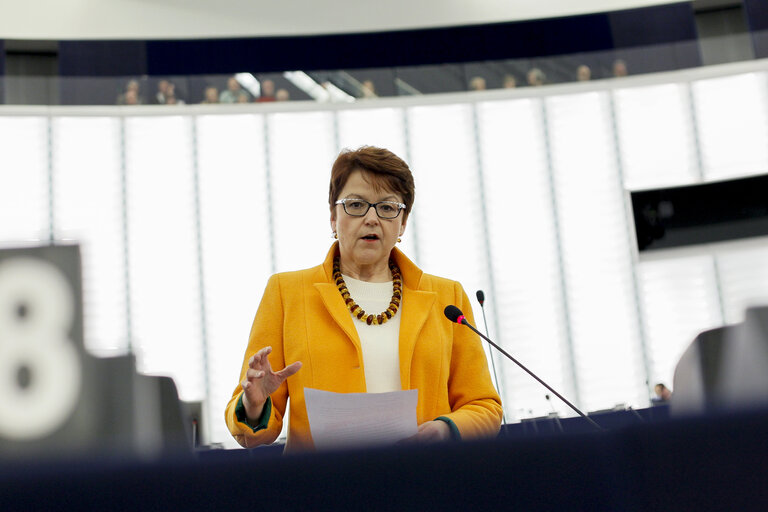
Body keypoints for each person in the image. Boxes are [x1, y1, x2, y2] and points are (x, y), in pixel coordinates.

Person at [225, 146, 503, 452]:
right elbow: (252, 434)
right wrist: (254, 404)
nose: (371, 218)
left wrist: (445, 429)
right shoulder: (286, 292)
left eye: (386, 208)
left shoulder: (446, 297)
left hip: (425, 481)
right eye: (356, 205)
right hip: (325, 489)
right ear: (333, 216)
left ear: (403, 222)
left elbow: (484, 406)